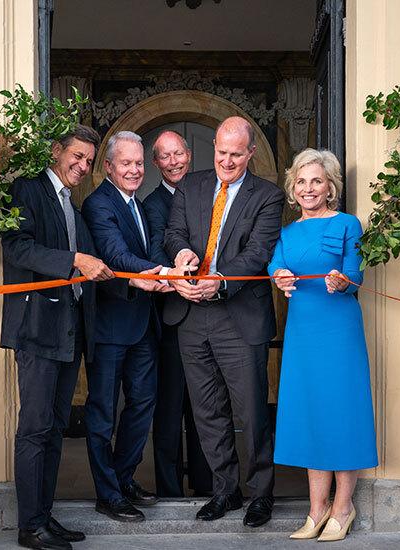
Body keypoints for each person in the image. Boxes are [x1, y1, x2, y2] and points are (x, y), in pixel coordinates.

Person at [0, 125, 157, 549]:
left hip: (70, 331)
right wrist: (75, 260)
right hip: (37, 329)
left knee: (53, 428)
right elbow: (16, 248)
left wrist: (136, 282)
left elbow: (99, 267)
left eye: (89, 160)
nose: (83, 166)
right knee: (34, 429)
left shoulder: (72, 203)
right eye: (78, 157)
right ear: (56, 151)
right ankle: (29, 526)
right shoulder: (27, 189)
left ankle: (43, 518)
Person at [164, 117, 284, 525]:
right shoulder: (191, 186)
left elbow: (258, 254)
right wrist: (181, 256)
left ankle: (260, 495)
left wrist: (217, 282)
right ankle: (225, 491)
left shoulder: (267, 196)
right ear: (212, 147)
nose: (227, 161)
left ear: (250, 153)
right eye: (221, 152)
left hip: (239, 316)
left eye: (236, 154)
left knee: (251, 412)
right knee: (208, 411)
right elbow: (173, 231)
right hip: (192, 315)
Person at [268, 148, 378, 542]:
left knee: (341, 413)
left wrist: (341, 281)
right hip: (303, 331)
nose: (309, 188)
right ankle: (316, 511)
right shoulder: (287, 231)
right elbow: (275, 264)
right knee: (311, 413)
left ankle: (343, 507)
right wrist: (278, 274)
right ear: (292, 189)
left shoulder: (349, 224)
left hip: (338, 331)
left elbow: (354, 273)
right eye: (301, 181)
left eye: (317, 180)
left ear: (330, 186)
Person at [81, 131, 171, 522]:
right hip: (109, 325)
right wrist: (160, 271)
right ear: (109, 167)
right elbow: (115, 253)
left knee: (143, 404)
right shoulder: (97, 204)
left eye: (138, 163)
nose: (134, 170)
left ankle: (123, 477)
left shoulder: (138, 203)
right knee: (102, 412)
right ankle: (108, 494)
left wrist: (166, 268)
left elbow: (149, 250)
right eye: (126, 163)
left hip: (142, 322)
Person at [142, 130, 212, 498]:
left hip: (209, 315)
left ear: (189, 153)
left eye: (178, 154)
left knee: (204, 407)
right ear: (156, 163)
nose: (174, 162)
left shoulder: (206, 192)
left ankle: (205, 487)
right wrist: (181, 268)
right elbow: (155, 250)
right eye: (165, 157)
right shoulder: (152, 204)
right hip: (170, 316)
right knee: (168, 410)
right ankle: (169, 492)